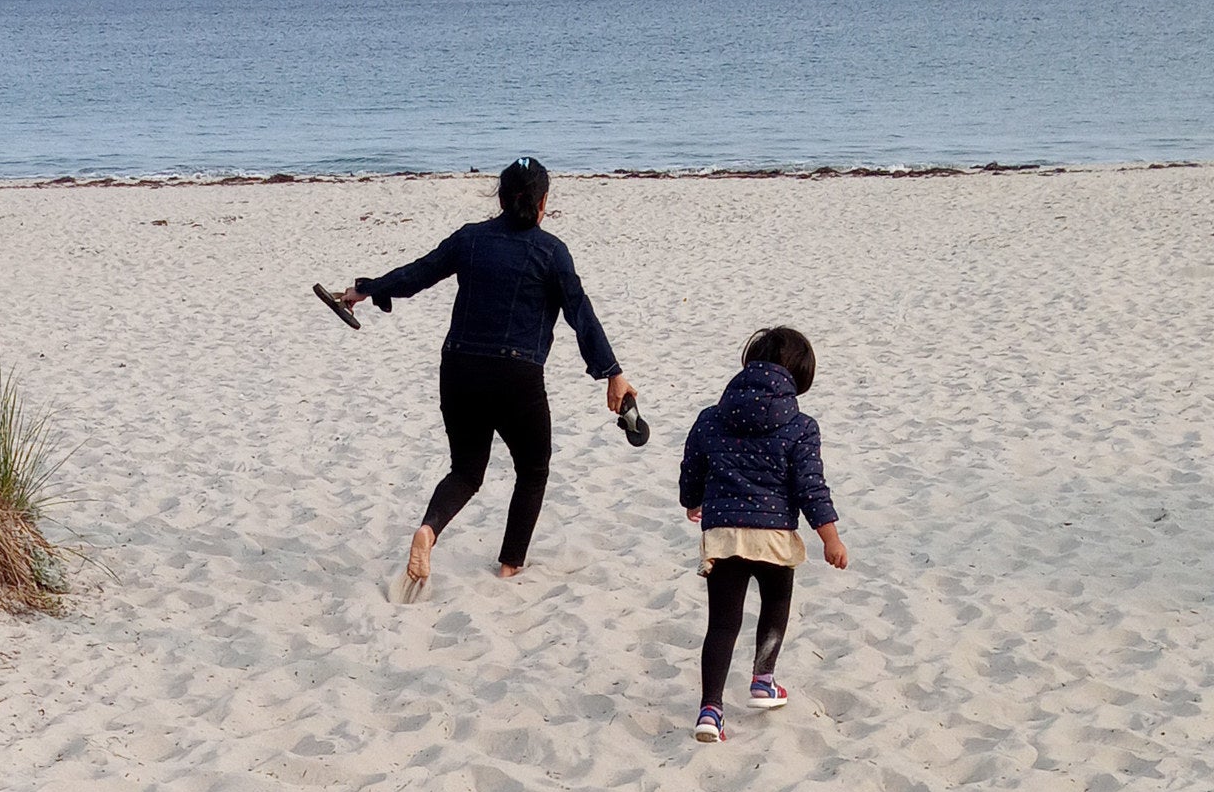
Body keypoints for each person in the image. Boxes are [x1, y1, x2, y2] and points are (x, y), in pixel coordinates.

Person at [333, 158, 637, 588]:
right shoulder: (551, 251)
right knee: (533, 470)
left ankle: (428, 530)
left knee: (466, 470)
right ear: (543, 201)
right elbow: (579, 313)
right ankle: (510, 564)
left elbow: (418, 274)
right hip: (517, 377)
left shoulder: (470, 239)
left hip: (459, 370)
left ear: (499, 197)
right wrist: (611, 372)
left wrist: (367, 288)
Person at [677, 325, 847, 743]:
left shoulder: (712, 417)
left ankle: (710, 710)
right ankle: (763, 679)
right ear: (800, 376)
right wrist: (830, 537)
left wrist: (692, 500)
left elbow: (692, 467)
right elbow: (810, 486)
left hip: (725, 538)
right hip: (773, 538)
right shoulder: (801, 425)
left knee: (721, 623)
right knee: (775, 605)